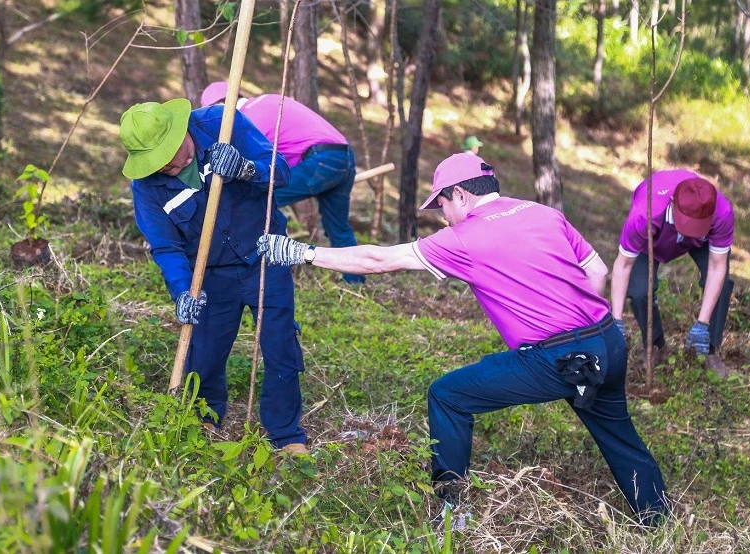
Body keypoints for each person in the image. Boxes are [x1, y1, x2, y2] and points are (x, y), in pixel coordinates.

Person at [257, 152, 670, 525]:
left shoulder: (464, 238)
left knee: (448, 395)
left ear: (460, 195)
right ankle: (657, 519)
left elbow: (378, 259)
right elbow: (597, 274)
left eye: (441, 205)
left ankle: (451, 508)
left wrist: (301, 253)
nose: (442, 216)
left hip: (558, 358)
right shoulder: (543, 213)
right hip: (609, 343)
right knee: (620, 435)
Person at [119, 98, 308, 453]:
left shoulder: (224, 123)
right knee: (204, 350)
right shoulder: (146, 187)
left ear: (182, 129)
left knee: (279, 343)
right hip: (210, 273)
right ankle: (205, 415)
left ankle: (286, 434)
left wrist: (247, 169)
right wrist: (182, 291)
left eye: (177, 153)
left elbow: (280, 169)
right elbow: (166, 247)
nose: (174, 165)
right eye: (161, 165)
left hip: (265, 254)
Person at [201, 82, 365, 284]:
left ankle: (274, 270)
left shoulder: (246, 119)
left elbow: (246, 171)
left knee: (257, 202)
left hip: (319, 160)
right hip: (343, 157)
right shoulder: (268, 100)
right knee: (338, 228)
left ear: (221, 106)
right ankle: (355, 282)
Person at [610, 170, 735, 378]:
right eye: (689, 225)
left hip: (700, 243)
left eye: (698, 226)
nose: (691, 230)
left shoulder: (721, 212)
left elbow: (717, 266)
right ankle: (654, 345)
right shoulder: (644, 213)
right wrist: (616, 321)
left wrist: (702, 324)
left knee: (723, 284)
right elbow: (623, 266)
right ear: (672, 203)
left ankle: (709, 349)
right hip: (656, 236)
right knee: (640, 291)